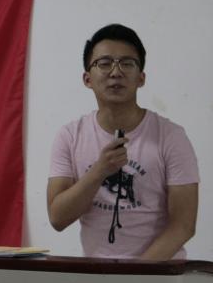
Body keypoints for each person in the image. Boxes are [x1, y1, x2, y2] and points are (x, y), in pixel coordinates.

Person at [47, 24, 199, 259]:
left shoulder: (171, 136)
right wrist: (99, 171)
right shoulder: (70, 136)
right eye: (104, 63)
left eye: (127, 63)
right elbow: (58, 218)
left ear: (141, 78)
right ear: (87, 79)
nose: (116, 72)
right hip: (95, 274)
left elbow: (183, 225)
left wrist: (135, 274)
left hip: (157, 273)